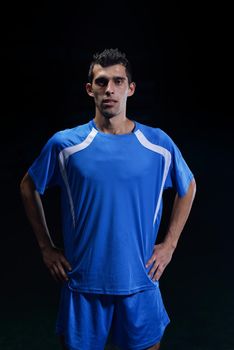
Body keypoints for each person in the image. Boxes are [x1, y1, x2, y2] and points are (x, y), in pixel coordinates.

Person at [20, 48, 196, 350]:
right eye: (101, 82)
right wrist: (46, 248)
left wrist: (170, 244)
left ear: (131, 88)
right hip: (83, 286)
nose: (109, 89)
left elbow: (188, 185)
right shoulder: (66, 145)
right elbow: (28, 186)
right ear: (90, 90)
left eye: (118, 81)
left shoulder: (158, 144)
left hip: (141, 283)